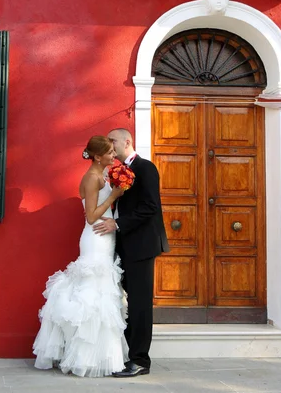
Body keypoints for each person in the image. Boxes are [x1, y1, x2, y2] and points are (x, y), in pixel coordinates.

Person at [33, 135, 128, 377]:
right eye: (109, 153)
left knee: (101, 290)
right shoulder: (92, 177)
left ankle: (97, 355)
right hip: (95, 237)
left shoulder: (102, 175)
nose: (113, 156)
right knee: (92, 291)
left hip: (105, 237)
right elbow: (92, 216)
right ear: (98, 157)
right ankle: (85, 357)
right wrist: (115, 196)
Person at [93, 128, 169, 378]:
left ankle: (140, 361)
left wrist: (118, 224)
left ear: (127, 141)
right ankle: (127, 354)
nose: (110, 146)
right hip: (124, 244)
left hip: (142, 245)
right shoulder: (115, 170)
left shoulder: (145, 168)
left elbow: (150, 207)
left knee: (139, 304)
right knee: (127, 302)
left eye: (113, 141)